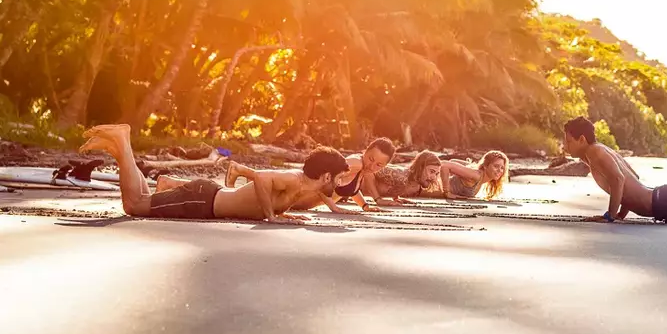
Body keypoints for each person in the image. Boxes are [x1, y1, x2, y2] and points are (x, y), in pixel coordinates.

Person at [79, 124, 348, 223]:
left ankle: (118, 149)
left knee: (143, 197)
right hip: (203, 201)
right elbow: (262, 179)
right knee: (134, 206)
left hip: (205, 198)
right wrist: (269, 217)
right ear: (326, 177)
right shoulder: (294, 180)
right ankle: (123, 141)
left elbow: (267, 193)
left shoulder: (301, 187)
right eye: (337, 178)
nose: (338, 184)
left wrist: (279, 212)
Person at [224, 137, 394, 211]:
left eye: (379, 164)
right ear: (366, 151)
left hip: (305, 200)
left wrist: (364, 206)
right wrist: (333, 207)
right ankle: (241, 172)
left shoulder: (363, 169)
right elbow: (327, 179)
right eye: (371, 158)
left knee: (272, 188)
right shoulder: (355, 163)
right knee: (272, 190)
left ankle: (241, 171)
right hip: (302, 197)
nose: (372, 165)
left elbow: (352, 189)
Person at [370, 151, 444, 201]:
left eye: (436, 173)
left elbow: (394, 184)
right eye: (431, 171)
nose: (434, 177)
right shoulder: (400, 176)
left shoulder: (415, 186)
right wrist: (378, 199)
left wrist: (396, 197)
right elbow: (368, 171)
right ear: (420, 168)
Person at [440, 150, 509, 200]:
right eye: (496, 166)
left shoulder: (479, 176)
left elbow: (453, 161)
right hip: (431, 189)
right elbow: (444, 165)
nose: (500, 170)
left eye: (502, 168)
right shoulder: (476, 175)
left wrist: (469, 166)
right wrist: (447, 192)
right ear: (485, 166)